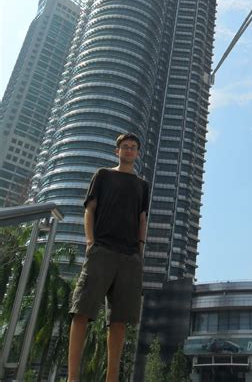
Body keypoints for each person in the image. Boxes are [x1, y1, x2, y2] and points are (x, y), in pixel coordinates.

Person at [67, 133, 149, 382]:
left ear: (137, 153)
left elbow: (142, 219)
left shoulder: (142, 185)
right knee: (82, 312)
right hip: (102, 250)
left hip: (129, 257)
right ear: (117, 151)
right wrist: (90, 242)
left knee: (120, 320)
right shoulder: (103, 175)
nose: (129, 150)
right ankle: (73, 377)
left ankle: (111, 378)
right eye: (125, 147)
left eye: (133, 148)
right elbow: (89, 210)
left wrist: (140, 250)